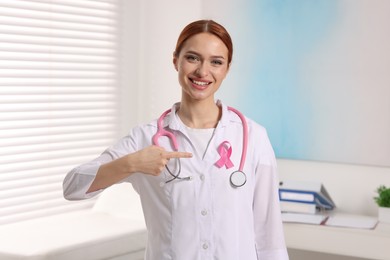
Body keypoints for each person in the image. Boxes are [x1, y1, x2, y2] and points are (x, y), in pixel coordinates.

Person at [63, 19, 289, 260]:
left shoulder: (253, 137)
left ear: (227, 68)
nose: (203, 71)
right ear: (176, 61)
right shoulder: (145, 138)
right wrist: (131, 164)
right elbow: (72, 187)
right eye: (192, 58)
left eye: (216, 62)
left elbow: (268, 236)